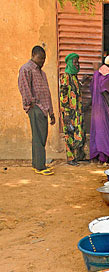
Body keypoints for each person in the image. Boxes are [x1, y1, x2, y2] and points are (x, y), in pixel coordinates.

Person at [18, 45, 55, 176]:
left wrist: (51, 112)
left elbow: (47, 93)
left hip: (44, 108)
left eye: (44, 59)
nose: (42, 61)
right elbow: (24, 87)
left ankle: (36, 164)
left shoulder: (42, 73)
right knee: (39, 137)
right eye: (40, 58)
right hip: (35, 107)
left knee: (41, 137)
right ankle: (40, 166)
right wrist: (31, 104)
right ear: (33, 55)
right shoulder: (26, 69)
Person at [60, 53, 88, 166]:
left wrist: (83, 82)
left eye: (78, 62)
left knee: (79, 133)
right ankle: (71, 158)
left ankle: (78, 156)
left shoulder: (74, 78)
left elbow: (75, 90)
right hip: (69, 113)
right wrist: (66, 114)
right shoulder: (65, 77)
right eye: (74, 62)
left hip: (77, 112)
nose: (77, 64)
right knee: (70, 135)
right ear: (69, 63)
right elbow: (63, 96)